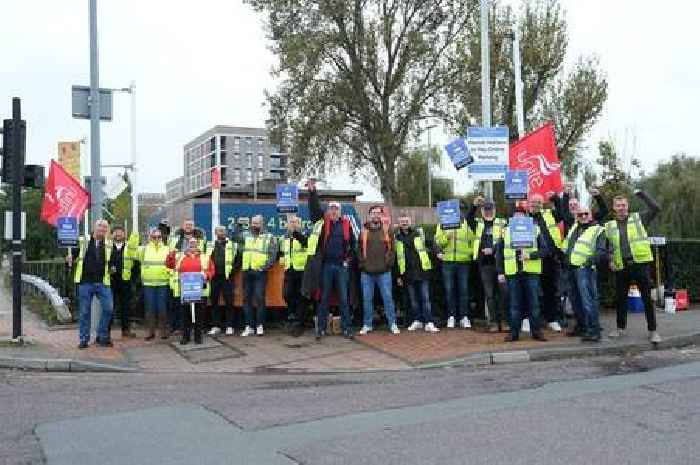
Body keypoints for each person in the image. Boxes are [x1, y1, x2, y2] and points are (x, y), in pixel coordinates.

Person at [605, 191, 662, 343]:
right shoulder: (610, 225)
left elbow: (656, 208)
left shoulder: (638, 218)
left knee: (647, 299)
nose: (621, 207)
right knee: (620, 299)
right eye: (618, 205)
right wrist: (610, 259)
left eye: (624, 205)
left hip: (640, 264)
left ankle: (653, 331)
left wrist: (642, 195)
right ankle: (620, 328)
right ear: (614, 208)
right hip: (621, 265)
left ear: (627, 206)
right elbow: (610, 245)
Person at [305, 179, 357, 340]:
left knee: (343, 298)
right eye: (331, 209)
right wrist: (312, 192)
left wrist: (348, 259)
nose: (333, 211)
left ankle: (347, 328)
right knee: (324, 298)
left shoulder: (347, 224)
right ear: (328, 211)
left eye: (336, 209)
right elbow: (314, 209)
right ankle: (320, 329)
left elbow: (354, 245)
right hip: (326, 266)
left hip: (341, 266)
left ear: (340, 211)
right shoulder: (323, 222)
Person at [496, 204, 549, 342]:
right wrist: (500, 271)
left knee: (534, 304)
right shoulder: (504, 231)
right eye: (516, 214)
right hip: (513, 272)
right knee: (514, 304)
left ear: (526, 216)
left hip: (531, 272)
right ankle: (514, 333)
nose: (519, 217)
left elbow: (545, 250)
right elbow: (499, 254)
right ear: (512, 217)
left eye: (522, 214)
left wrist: (530, 256)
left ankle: (536, 332)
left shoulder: (535, 229)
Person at [564, 206, 607, 342]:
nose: (583, 216)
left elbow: (601, 251)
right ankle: (583, 327)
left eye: (585, 214)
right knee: (576, 301)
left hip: (585, 269)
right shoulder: (574, 228)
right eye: (580, 214)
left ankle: (594, 331)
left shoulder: (597, 230)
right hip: (571, 268)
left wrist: (588, 263)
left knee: (588, 301)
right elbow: (567, 246)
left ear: (591, 215)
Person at [70, 219, 114, 349]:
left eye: (105, 227)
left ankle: (101, 335)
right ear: (94, 227)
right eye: (100, 226)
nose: (102, 229)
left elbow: (112, 260)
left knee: (109, 308)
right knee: (84, 311)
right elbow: (73, 255)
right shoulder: (83, 240)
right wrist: (69, 259)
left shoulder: (108, 244)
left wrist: (112, 268)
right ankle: (84, 339)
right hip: (85, 282)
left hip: (102, 281)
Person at [467, 196, 509, 332]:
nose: (488, 212)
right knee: (489, 295)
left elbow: (506, 241)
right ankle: (493, 323)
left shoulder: (502, 222)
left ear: (495, 209)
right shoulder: (478, 223)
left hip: (501, 264)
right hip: (485, 265)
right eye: (486, 209)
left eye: (490, 209)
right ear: (482, 210)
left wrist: (494, 249)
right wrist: (474, 205)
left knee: (503, 293)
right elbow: (468, 219)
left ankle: (505, 321)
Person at [358, 205, 399, 335]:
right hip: (367, 272)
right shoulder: (363, 230)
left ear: (381, 215)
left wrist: (388, 264)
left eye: (378, 213)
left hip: (384, 272)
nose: (375, 215)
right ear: (369, 215)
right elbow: (358, 249)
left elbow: (393, 250)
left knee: (388, 298)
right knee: (367, 299)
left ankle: (392, 323)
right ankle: (367, 324)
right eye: (373, 213)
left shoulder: (387, 229)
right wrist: (362, 264)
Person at [395, 212, 438, 333]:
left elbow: (431, 243)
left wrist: (438, 251)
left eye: (406, 221)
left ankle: (429, 322)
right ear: (399, 223)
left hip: (422, 272)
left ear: (410, 221)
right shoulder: (397, 238)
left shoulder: (419, 233)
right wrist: (398, 275)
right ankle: (418, 320)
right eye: (402, 221)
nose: (404, 223)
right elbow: (398, 258)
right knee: (413, 300)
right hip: (408, 274)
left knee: (425, 299)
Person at [527, 193, 564, 332]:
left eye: (539, 202)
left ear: (542, 204)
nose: (536, 204)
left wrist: (555, 198)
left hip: (549, 259)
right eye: (534, 201)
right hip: (531, 258)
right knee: (531, 291)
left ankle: (552, 319)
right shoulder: (524, 218)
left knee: (550, 290)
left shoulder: (550, 214)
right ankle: (532, 320)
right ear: (529, 203)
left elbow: (562, 212)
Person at [167, 238, 213, 345]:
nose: (192, 245)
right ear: (187, 245)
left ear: (198, 245)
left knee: (199, 315)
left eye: (194, 243)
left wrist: (206, 275)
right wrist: (171, 254)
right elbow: (169, 264)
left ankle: (198, 337)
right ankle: (185, 337)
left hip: (200, 291)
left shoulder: (205, 257)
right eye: (190, 243)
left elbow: (211, 270)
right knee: (185, 315)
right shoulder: (180, 256)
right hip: (185, 291)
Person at [129, 227, 171, 340]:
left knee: (162, 308)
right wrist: (134, 237)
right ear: (150, 237)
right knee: (150, 309)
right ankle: (151, 332)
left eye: (159, 237)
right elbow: (132, 253)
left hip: (163, 283)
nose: (156, 239)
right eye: (154, 237)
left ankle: (163, 331)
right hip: (148, 284)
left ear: (162, 238)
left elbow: (172, 264)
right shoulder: (144, 249)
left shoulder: (167, 249)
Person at [434, 210, 473, 329]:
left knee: (464, 290)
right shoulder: (442, 224)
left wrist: (470, 253)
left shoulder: (466, 224)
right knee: (449, 290)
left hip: (463, 262)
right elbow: (438, 242)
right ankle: (451, 316)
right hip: (448, 262)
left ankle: (464, 317)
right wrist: (446, 236)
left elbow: (473, 240)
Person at [240, 215, 278, 337]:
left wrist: (264, 268)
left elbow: (273, 255)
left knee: (259, 299)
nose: (254, 225)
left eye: (257, 223)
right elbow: (237, 246)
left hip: (260, 273)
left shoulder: (269, 237)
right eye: (253, 223)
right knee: (246, 300)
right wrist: (238, 226)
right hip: (246, 271)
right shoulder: (245, 236)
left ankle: (259, 325)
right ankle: (249, 326)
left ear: (262, 224)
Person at [167, 219, 207, 333]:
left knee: (197, 306)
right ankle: (180, 328)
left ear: (194, 227)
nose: (188, 227)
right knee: (179, 305)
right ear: (182, 226)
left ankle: (197, 329)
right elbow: (170, 257)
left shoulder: (201, 239)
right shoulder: (174, 239)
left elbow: (204, 255)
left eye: (191, 225)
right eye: (186, 225)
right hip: (179, 276)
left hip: (196, 278)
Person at [281, 215, 310, 337]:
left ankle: (299, 323)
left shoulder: (305, 234)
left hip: (302, 270)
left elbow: (306, 243)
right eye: (291, 222)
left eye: (295, 222)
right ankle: (293, 315)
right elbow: (282, 252)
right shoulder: (285, 238)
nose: (293, 224)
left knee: (302, 297)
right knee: (287, 294)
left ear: (300, 224)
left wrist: (296, 233)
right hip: (289, 270)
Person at [206, 225, 237, 336]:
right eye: (219, 231)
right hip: (214, 277)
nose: (222, 233)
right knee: (214, 302)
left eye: (223, 231)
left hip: (227, 277)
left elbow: (238, 260)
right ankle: (215, 326)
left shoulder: (232, 245)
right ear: (215, 233)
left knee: (229, 302)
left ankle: (229, 326)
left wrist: (232, 271)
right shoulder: (209, 245)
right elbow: (205, 259)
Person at [108, 226, 136, 338]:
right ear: (112, 235)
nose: (118, 235)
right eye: (116, 233)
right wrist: (109, 268)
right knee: (110, 306)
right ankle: (107, 331)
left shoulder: (129, 246)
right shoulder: (108, 246)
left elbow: (135, 262)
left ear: (125, 235)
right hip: (111, 280)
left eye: (120, 233)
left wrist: (133, 278)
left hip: (126, 280)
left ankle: (126, 330)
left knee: (126, 306)